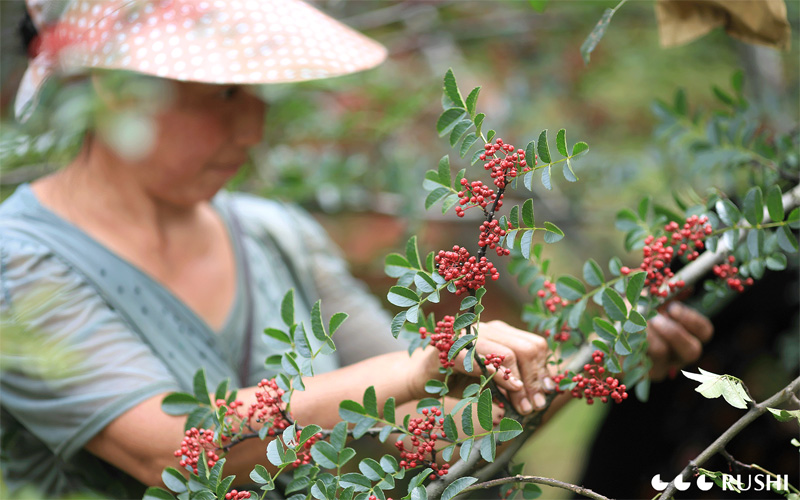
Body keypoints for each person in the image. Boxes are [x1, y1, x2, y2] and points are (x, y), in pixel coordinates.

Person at [0, 0, 714, 498]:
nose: (252, 127)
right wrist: (421, 368)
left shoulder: (277, 235)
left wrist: (582, 360)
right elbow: (167, 450)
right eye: (222, 92)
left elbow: (429, 436)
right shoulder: (19, 264)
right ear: (118, 92)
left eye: (256, 91)